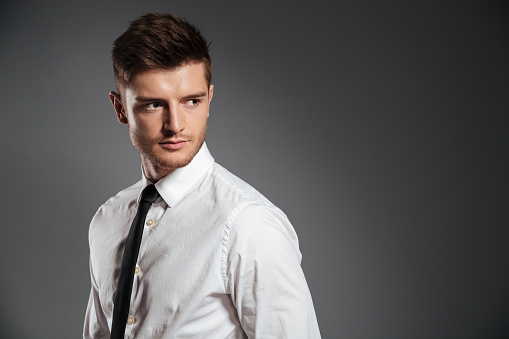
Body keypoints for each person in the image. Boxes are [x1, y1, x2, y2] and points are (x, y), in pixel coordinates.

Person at [83, 13, 321, 339]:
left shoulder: (248, 225)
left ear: (209, 99)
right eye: (154, 105)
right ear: (121, 109)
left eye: (191, 101)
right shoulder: (107, 221)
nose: (175, 124)